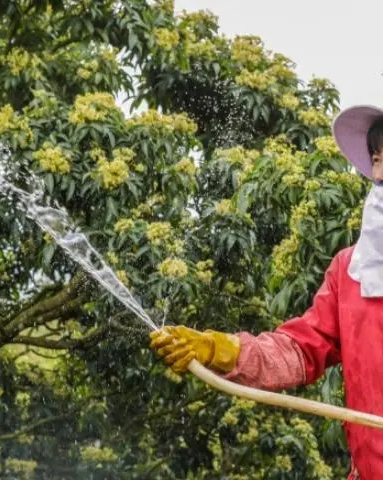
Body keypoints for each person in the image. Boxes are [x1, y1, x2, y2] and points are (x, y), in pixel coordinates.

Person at [150, 105, 383, 480]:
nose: (379, 172)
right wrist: (221, 350)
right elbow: (298, 351)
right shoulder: (350, 270)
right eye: (377, 158)